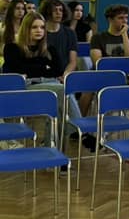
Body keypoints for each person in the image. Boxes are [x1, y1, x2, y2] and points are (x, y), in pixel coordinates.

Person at [3, 11, 82, 146]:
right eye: (34, 27)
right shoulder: (12, 48)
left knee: (57, 107)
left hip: (49, 84)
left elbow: (57, 70)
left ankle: (51, 148)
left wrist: (33, 68)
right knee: (63, 90)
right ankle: (80, 129)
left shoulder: (50, 49)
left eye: (42, 27)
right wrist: (44, 66)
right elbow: (16, 70)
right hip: (25, 87)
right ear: (26, 29)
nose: (39, 30)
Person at [90, 4, 129, 84]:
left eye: (126, 17)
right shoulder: (97, 38)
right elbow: (98, 62)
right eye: (120, 18)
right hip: (108, 73)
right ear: (110, 19)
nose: (125, 21)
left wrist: (124, 34)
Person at [39, 0, 78, 80]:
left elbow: (73, 61)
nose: (58, 13)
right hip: (43, 76)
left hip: (64, 75)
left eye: (61, 10)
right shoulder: (39, 32)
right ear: (47, 12)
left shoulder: (70, 33)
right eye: (54, 10)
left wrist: (65, 75)